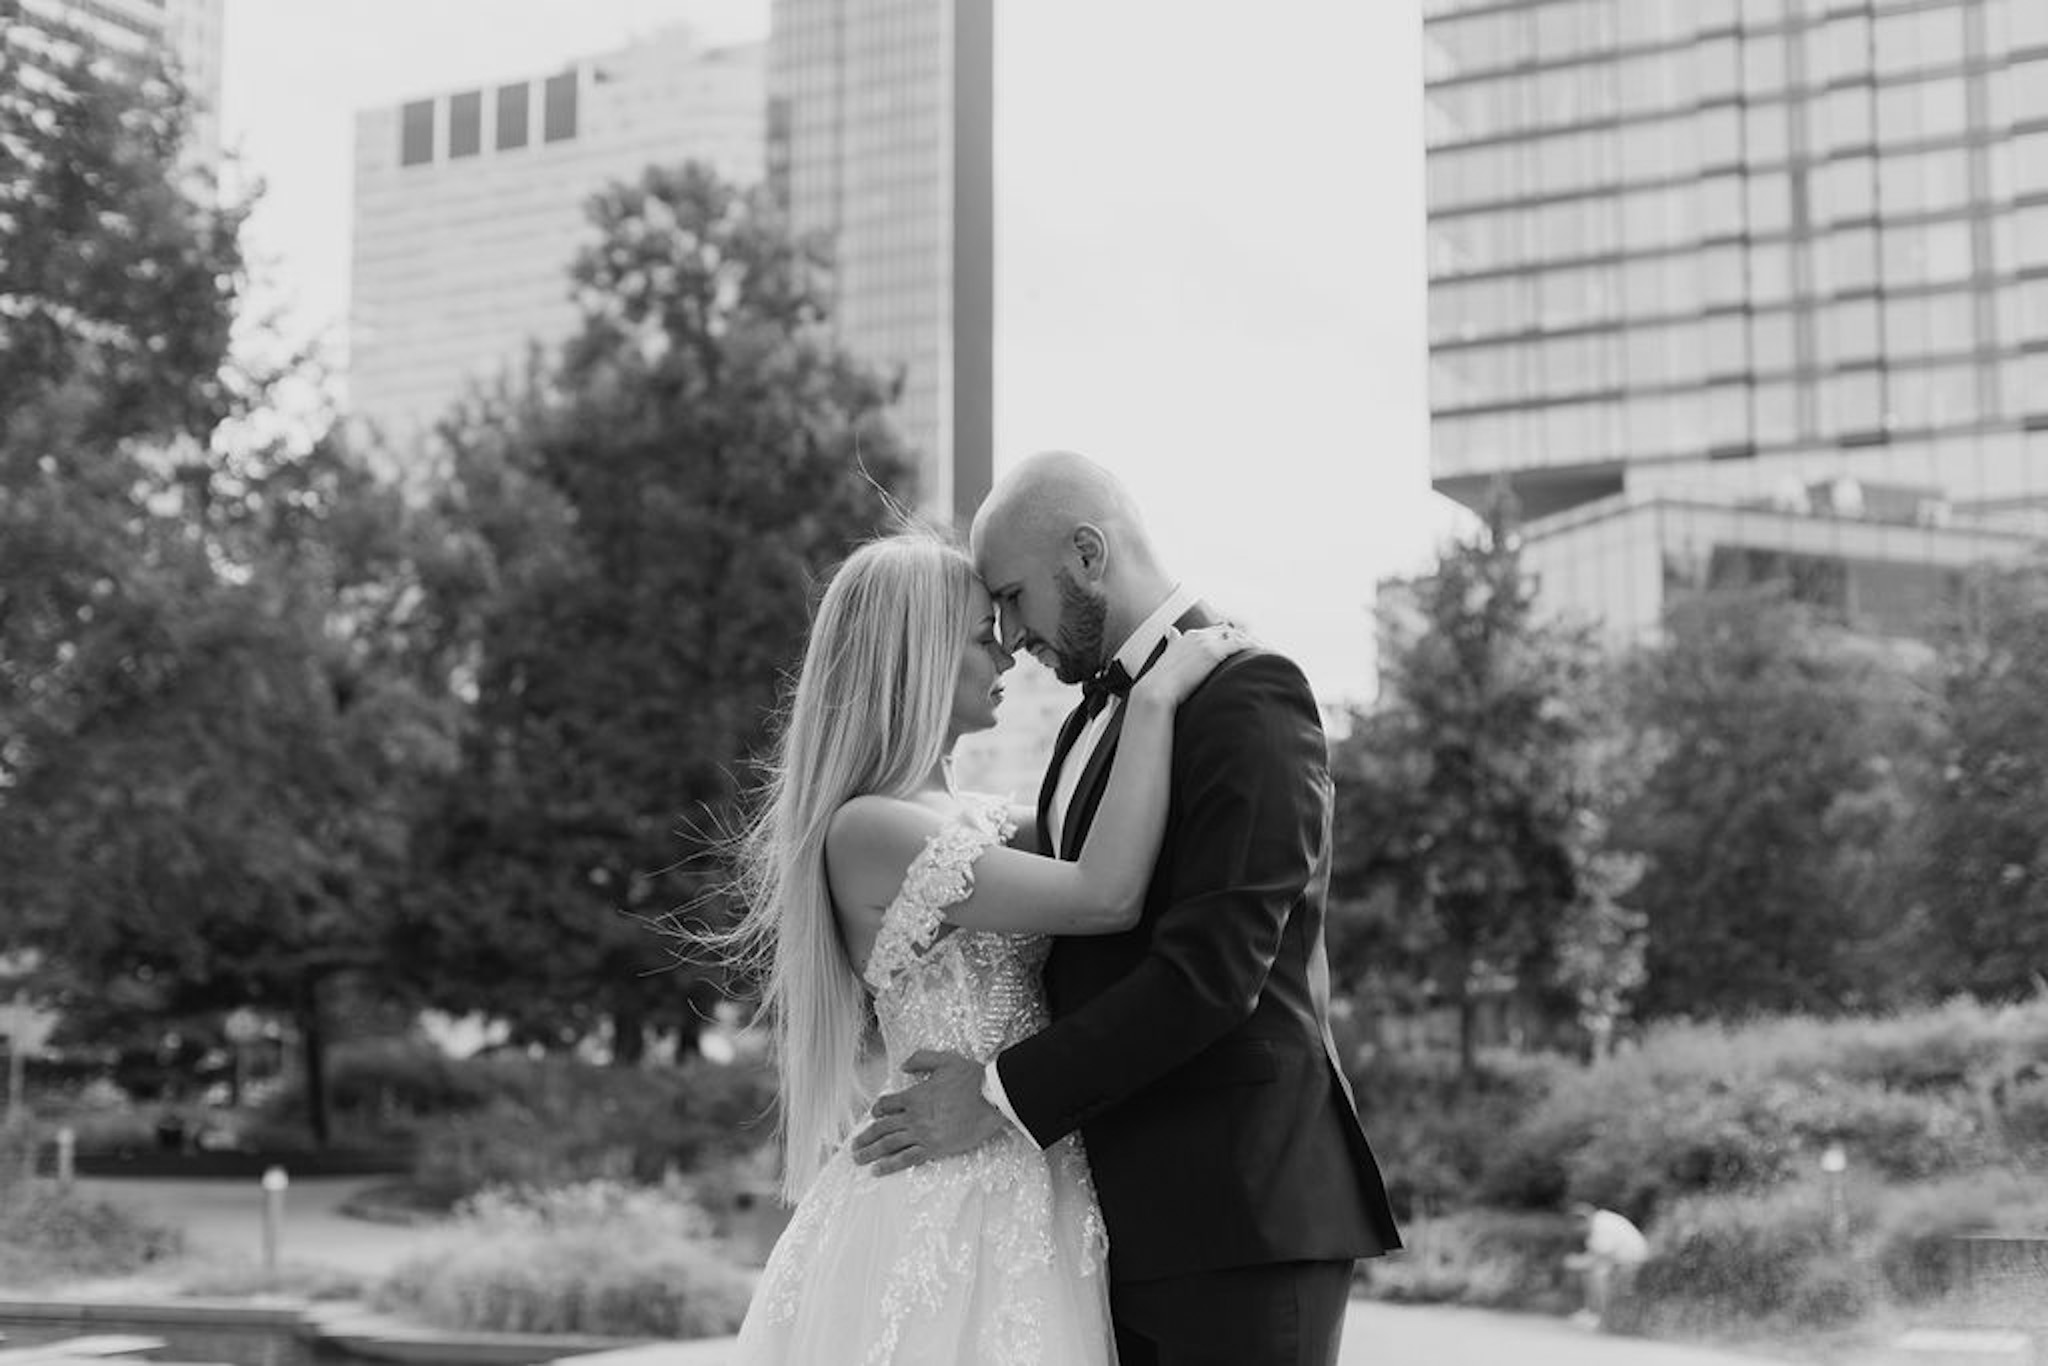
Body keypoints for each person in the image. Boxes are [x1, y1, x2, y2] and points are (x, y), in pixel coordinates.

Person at [848, 452, 1403, 1366]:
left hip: (1238, 1219)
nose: (1013, 638)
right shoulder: (1087, 723)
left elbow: (1214, 974)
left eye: (1016, 598)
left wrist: (996, 1096)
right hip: (1103, 1222)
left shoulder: (1248, 694)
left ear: (1089, 555)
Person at [724, 529, 1248, 1364]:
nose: (1007, 654)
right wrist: (1153, 701)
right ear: (916, 656)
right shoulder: (869, 828)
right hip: (945, 1197)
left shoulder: (979, 818)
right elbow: (1103, 894)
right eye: (981, 634)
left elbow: (1127, 856)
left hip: (1031, 1174)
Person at [1566, 1203, 1648, 1329]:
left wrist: (1576, 1262)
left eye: (1577, 1225)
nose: (1577, 1230)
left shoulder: (1600, 1226)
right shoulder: (1599, 1221)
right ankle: (1593, 1312)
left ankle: (1600, 1316)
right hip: (1623, 1259)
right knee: (1593, 1272)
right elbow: (1598, 1255)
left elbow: (1598, 1257)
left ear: (1582, 1221)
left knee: (1597, 1275)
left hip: (1633, 1259)